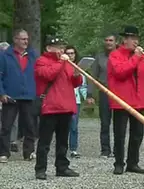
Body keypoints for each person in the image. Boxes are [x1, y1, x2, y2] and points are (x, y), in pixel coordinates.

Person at [107, 26, 144, 175]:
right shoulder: (115, 55)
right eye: (132, 39)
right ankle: (118, 163)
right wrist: (136, 57)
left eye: (137, 39)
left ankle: (133, 163)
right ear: (125, 40)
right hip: (121, 101)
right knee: (120, 134)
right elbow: (120, 73)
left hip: (138, 100)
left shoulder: (141, 56)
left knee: (137, 134)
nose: (136, 42)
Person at [33, 36, 81, 179]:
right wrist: (61, 62)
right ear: (48, 48)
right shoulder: (41, 61)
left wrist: (77, 74)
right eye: (59, 47)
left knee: (62, 141)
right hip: (50, 107)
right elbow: (48, 75)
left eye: (62, 47)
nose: (62, 50)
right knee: (45, 141)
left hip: (66, 106)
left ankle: (62, 167)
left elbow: (75, 83)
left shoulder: (66, 63)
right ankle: (40, 169)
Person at [0, 29, 39, 163]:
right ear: (15, 40)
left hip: (28, 95)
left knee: (30, 126)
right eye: (23, 39)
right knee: (6, 126)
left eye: (27, 39)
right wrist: (2, 93)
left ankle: (29, 152)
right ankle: (4, 153)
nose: (25, 42)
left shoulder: (33, 55)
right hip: (10, 95)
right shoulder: (5, 55)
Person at [86, 33, 117, 157]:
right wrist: (90, 94)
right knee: (105, 123)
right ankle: (105, 150)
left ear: (116, 42)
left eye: (111, 40)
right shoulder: (99, 58)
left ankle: (117, 149)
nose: (108, 42)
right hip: (104, 92)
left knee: (119, 124)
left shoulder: (121, 56)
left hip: (119, 94)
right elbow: (93, 77)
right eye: (106, 40)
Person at [65, 45, 87, 158]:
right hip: (63, 99)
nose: (70, 55)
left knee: (74, 126)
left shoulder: (79, 68)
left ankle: (73, 149)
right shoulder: (61, 66)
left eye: (72, 53)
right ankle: (62, 148)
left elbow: (83, 85)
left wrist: (86, 97)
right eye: (68, 53)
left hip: (76, 100)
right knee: (63, 125)